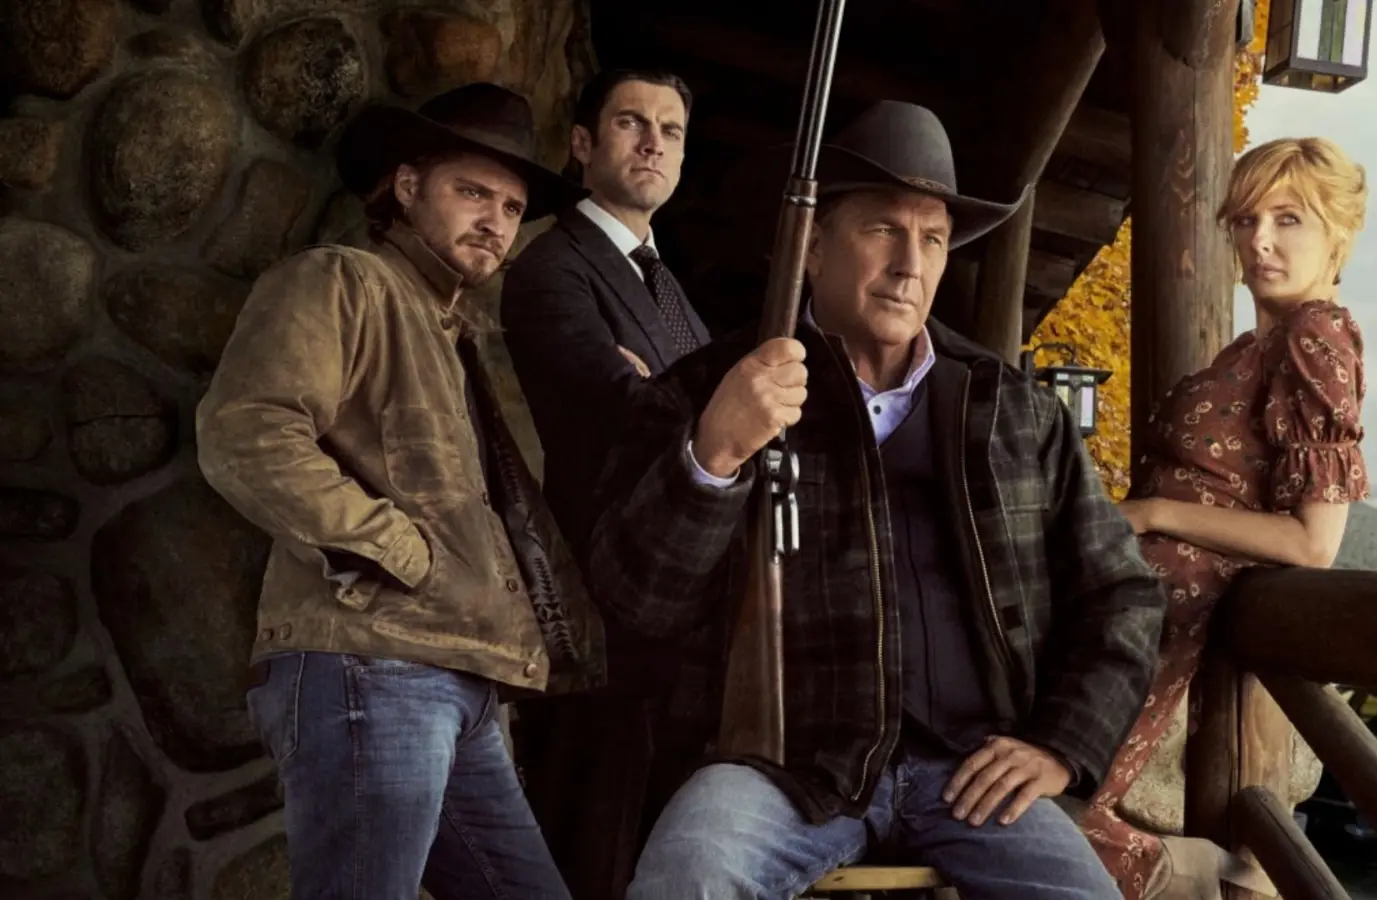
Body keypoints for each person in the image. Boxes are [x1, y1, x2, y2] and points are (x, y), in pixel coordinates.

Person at [583, 99, 1168, 900]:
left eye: (932, 239)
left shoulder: (1015, 410)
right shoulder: (708, 389)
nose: (911, 264)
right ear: (813, 246)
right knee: (688, 877)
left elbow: (1123, 595)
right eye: (883, 230)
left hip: (973, 774)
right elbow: (628, 602)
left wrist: (1062, 744)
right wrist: (713, 453)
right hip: (782, 771)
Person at [194, 82, 600, 900]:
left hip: (455, 675)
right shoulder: (344, 279)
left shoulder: (452, 331)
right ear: (408, 187)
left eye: (513, 207)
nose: (495, 220)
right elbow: (249, 429)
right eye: (473, 192)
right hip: (370, 663)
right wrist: (398, 553)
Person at [1078, 136, 1371, 899]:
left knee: (1045, 802)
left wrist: (1151, 511)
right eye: (1245, 220)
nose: (1260, 241)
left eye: (1288, 219)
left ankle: (1208, 879)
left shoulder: (1318, 334)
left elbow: (1314, 543)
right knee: (1004, 780)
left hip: (1165, 618)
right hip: (1128, 604)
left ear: (1338, 231)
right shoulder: (1257, 343)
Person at [501, 68, 709, 554]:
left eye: (670, 131)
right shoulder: (551, 267)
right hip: (609, 554)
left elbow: (690, 396)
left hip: (683, 550)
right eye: (631, 123)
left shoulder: (663, 278)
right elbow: (631, 415)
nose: (653, 144)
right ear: (582, 143)